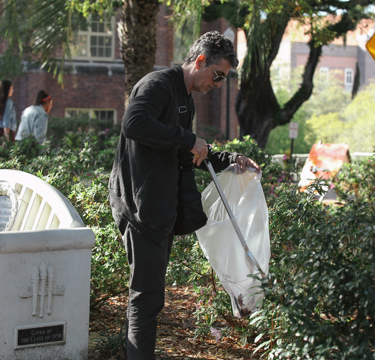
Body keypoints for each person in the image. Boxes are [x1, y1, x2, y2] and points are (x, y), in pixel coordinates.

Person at [108, 31, 261, 360]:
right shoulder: (159, 85)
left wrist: (229, 160)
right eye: (217, 76)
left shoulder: (185, 99)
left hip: (159, 208)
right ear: (200, 61)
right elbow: (134, 123)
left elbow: (184, 152)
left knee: (152, 298)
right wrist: (186, 139)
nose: (217, 85)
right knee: (146, 298)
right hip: (139, 205)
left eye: (223, 80)